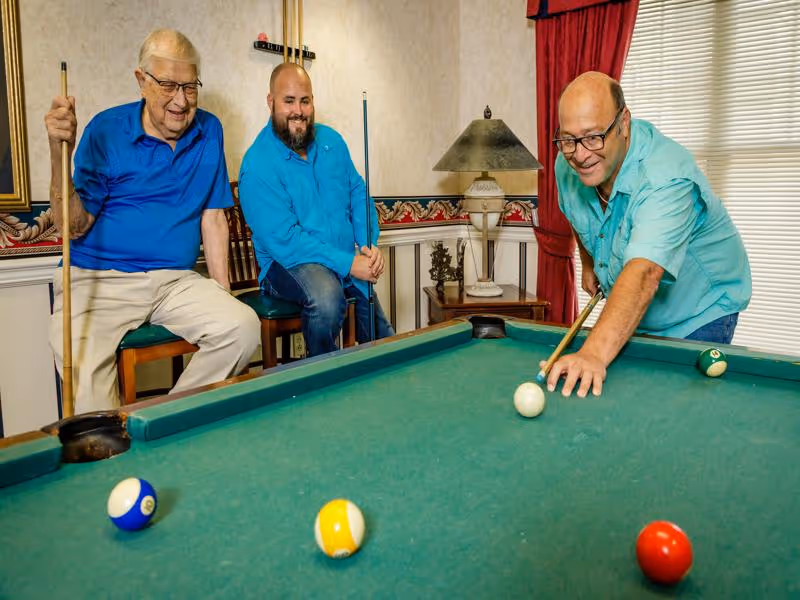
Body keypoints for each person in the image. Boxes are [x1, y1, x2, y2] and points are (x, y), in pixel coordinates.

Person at [44, 29, 260, 414]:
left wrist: (222, 292)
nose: (180, 100)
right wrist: (58, 153)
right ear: (141, 81)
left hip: (175, 281)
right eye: (168, 85)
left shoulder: (209, 130)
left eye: (190, 87)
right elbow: (73, 227)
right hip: (99, 278)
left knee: (241, 327)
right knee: (91, 402)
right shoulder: (106, 130)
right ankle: (110, 454)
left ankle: (163, 420)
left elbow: (213, 218)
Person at [547, 71, 751, 398]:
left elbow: (644, 274)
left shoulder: (666, 177)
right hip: (636, 307)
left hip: (698, 312)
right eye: (568, 139)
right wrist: (588, 262)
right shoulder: (567, 162)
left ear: (623, 123)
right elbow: (577, 211)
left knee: (674, 415)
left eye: (593, 137)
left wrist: (592, 353)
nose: (580, 154)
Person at [238, 64, 394, 356]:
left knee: (383, 338)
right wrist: (348, 264)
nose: (298, 110)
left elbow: (357, 192)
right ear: (270, 102)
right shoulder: (257, 165)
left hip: (342, 258)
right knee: (327, 297)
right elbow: (287, 241)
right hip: (287, 263)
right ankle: (320, 375)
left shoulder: (332, 142)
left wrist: (367, 245)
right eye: (289, 101)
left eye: (305, 100)